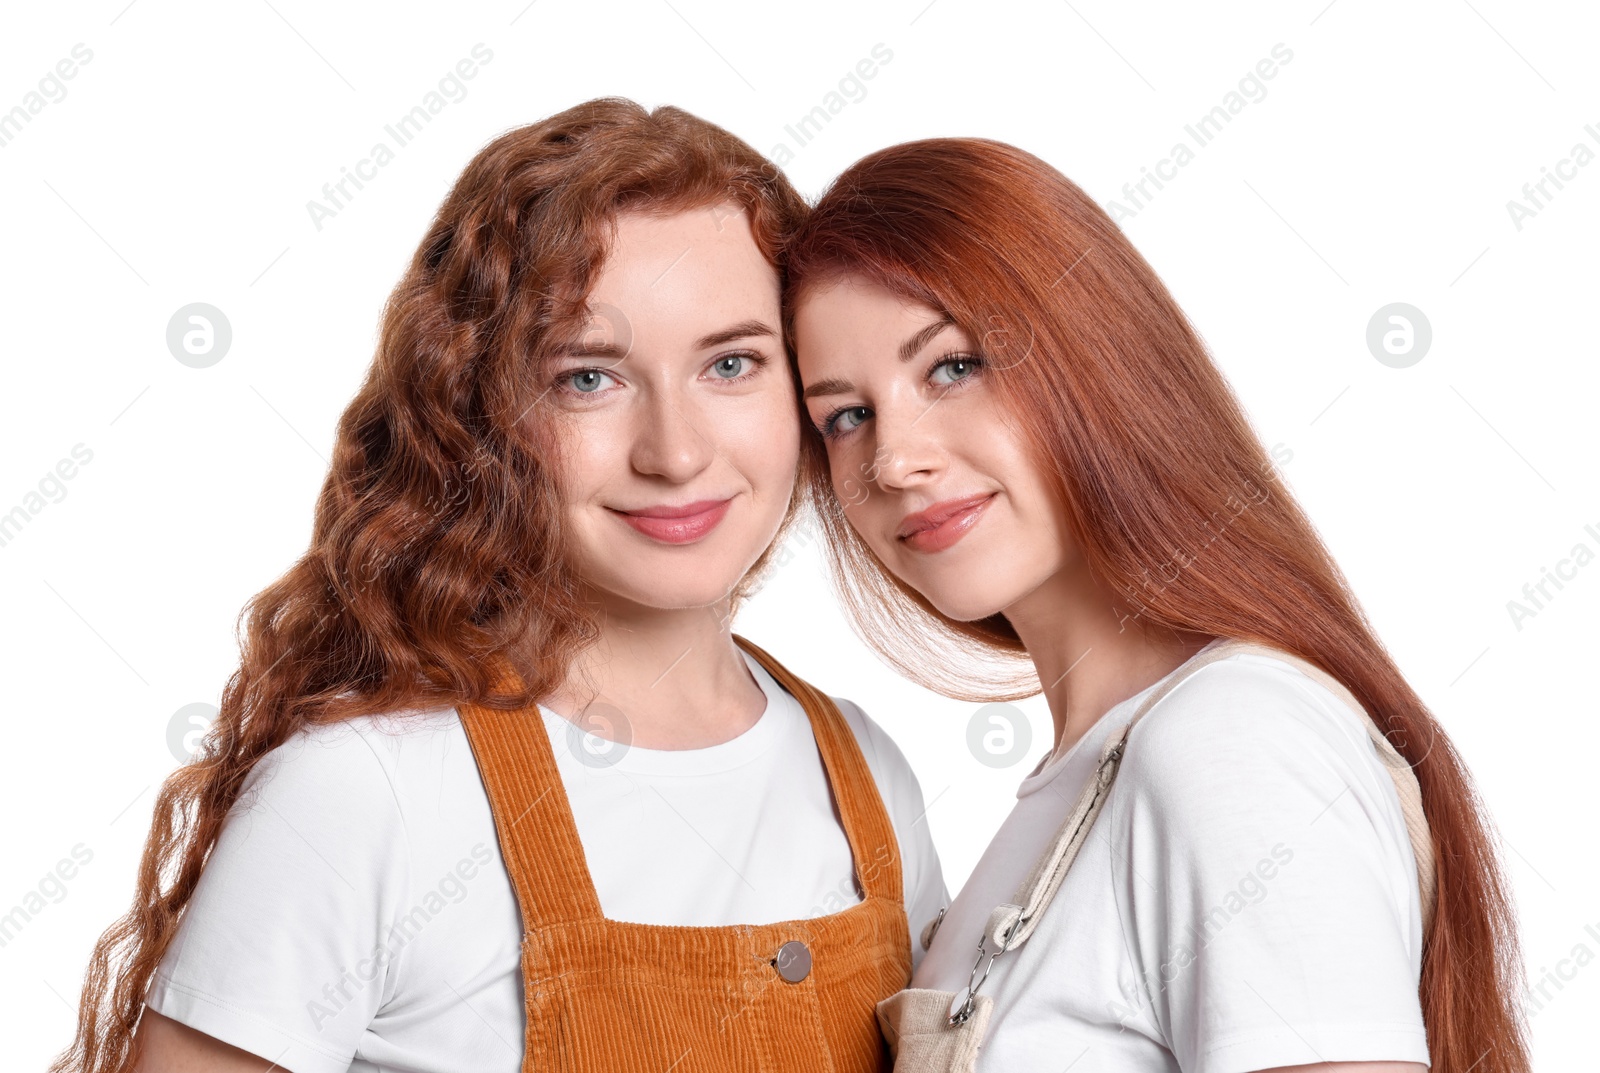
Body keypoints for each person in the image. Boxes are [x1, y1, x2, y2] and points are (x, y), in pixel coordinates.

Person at [52, 99, 946, 1073]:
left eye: (731, 364)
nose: (676, 451)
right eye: (587, 378)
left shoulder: (863, 775)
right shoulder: (371, 788)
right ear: (481, 410)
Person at [784, 136, 1530, 1073]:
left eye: (952, 366)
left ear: (1095, 354)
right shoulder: (1087, 780)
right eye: (846, 416)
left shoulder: (1231, 738)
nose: (893, 458)